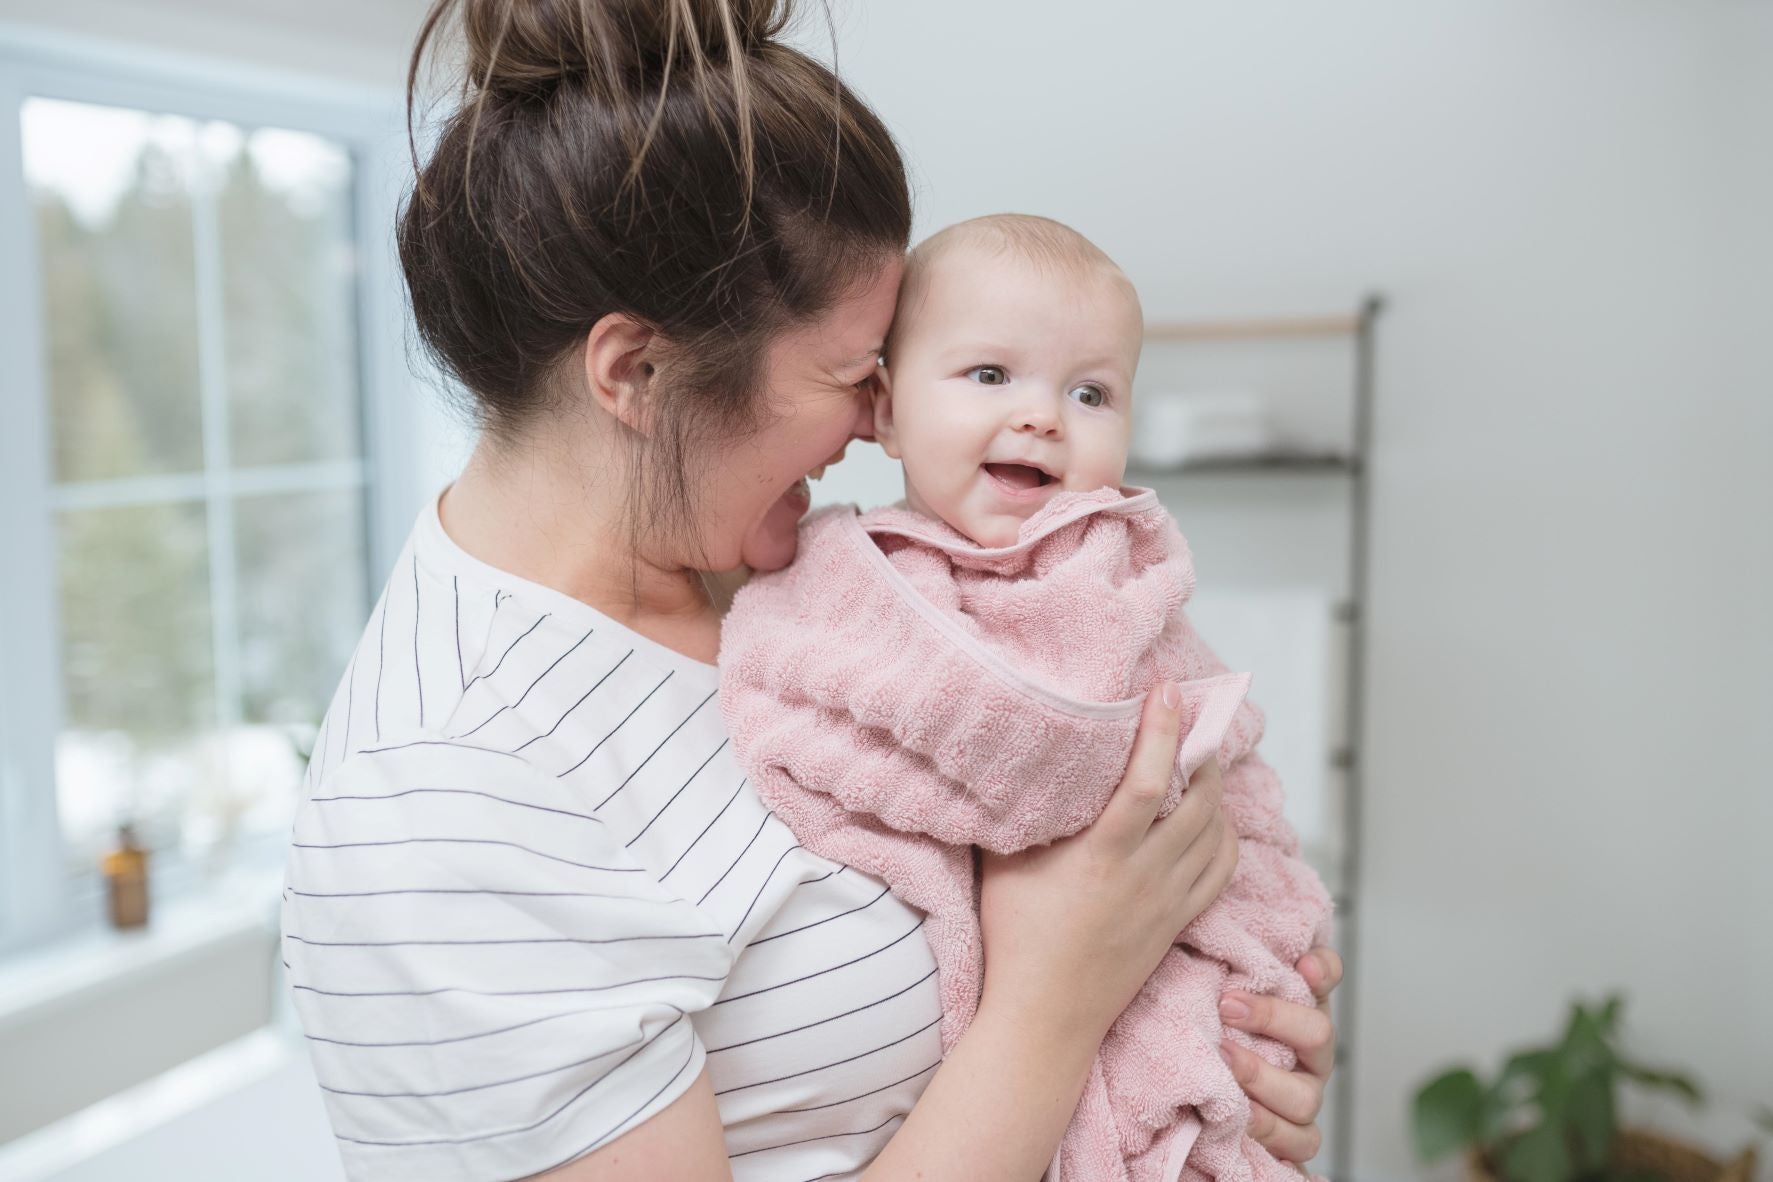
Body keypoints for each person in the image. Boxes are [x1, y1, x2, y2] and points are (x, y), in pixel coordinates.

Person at [280, 1, 1344, 1179]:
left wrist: (1206, 1042)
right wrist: (1062, 996)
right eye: (851, 378)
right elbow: (1042, 964)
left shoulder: (819, 581)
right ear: (638, 372)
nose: (875, 422)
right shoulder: (452, 793)